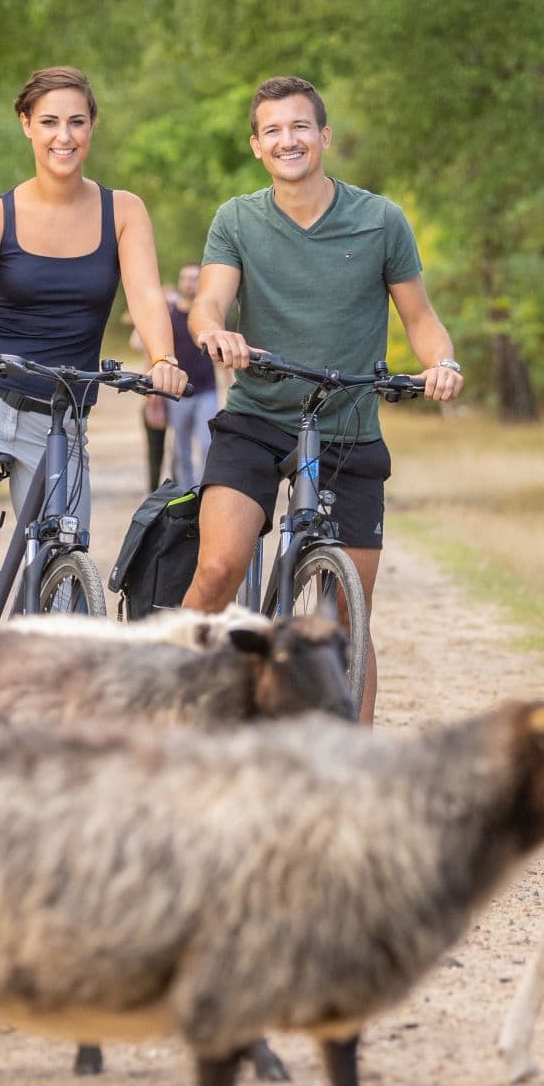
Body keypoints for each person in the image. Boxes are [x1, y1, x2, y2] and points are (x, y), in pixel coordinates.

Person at [186, 75, 462, 722]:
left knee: (344, 618)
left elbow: (420, 317)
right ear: (257, 146)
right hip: (257, 416)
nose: (289, 140)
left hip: (346, 424)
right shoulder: (237, 220)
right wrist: (214, 333)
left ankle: (354, 770)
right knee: (221, 565)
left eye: (300, 127)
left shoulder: (380, 220)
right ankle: (169, 697)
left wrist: (441, 364)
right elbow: (209, 302)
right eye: (274, 130)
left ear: (324, 136)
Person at [0, 67, 186, 620]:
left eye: (77, 122)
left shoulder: (123, 212)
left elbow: (147, 296)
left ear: (92, 128)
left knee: (62, 582)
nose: (64, 135)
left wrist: (163, 358)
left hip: (59, 421)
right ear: (26, 126)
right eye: (50, 122)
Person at [163, 263, 220, 486]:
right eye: (185, 278)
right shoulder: (170, 315)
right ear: (180, 282)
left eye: (194, 278)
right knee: (180, 448)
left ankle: (201, 492)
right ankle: (185, 494)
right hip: (177, 393)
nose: (189, 283)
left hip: (207, 390)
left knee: (207, 444)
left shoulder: (208, 317)